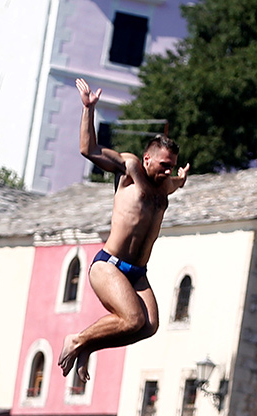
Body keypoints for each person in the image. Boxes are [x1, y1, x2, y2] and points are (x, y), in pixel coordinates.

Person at [59, 78, 189, 382]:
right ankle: (77, 339)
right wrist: (88, 109)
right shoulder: (129, 169)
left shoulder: (165, 185)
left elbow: (177, 182)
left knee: (149, 326)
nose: (168, 171)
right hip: (110, 265)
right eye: (164, 164)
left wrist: (181, 178)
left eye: (172, 166)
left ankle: (88, 346)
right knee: (132, 319)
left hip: (137, 272)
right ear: (147, 159)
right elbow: (88, 149)